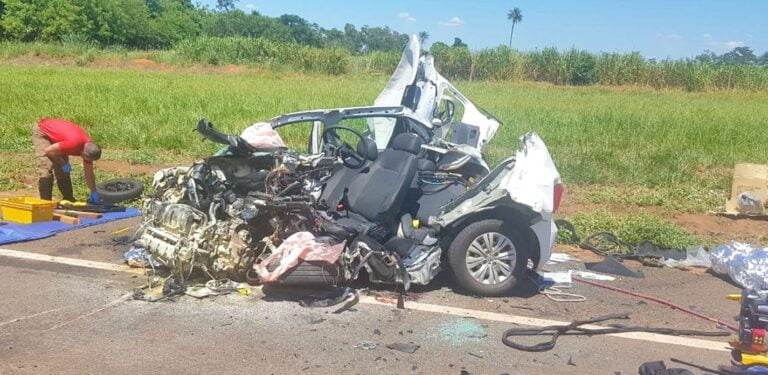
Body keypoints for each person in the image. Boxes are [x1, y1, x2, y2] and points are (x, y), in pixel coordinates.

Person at [32, 118, 102, 203]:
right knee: (47, 166)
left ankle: (69, 199)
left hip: (59, 138)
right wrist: (62, 163)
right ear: (84, 154)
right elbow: (48, 151)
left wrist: (93, 191)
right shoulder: (73, 144)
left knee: (63, 170)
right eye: (88, 160)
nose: (89, 162)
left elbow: (89, 172)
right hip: (43, 131)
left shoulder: (89, 148)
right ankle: (45, 203)